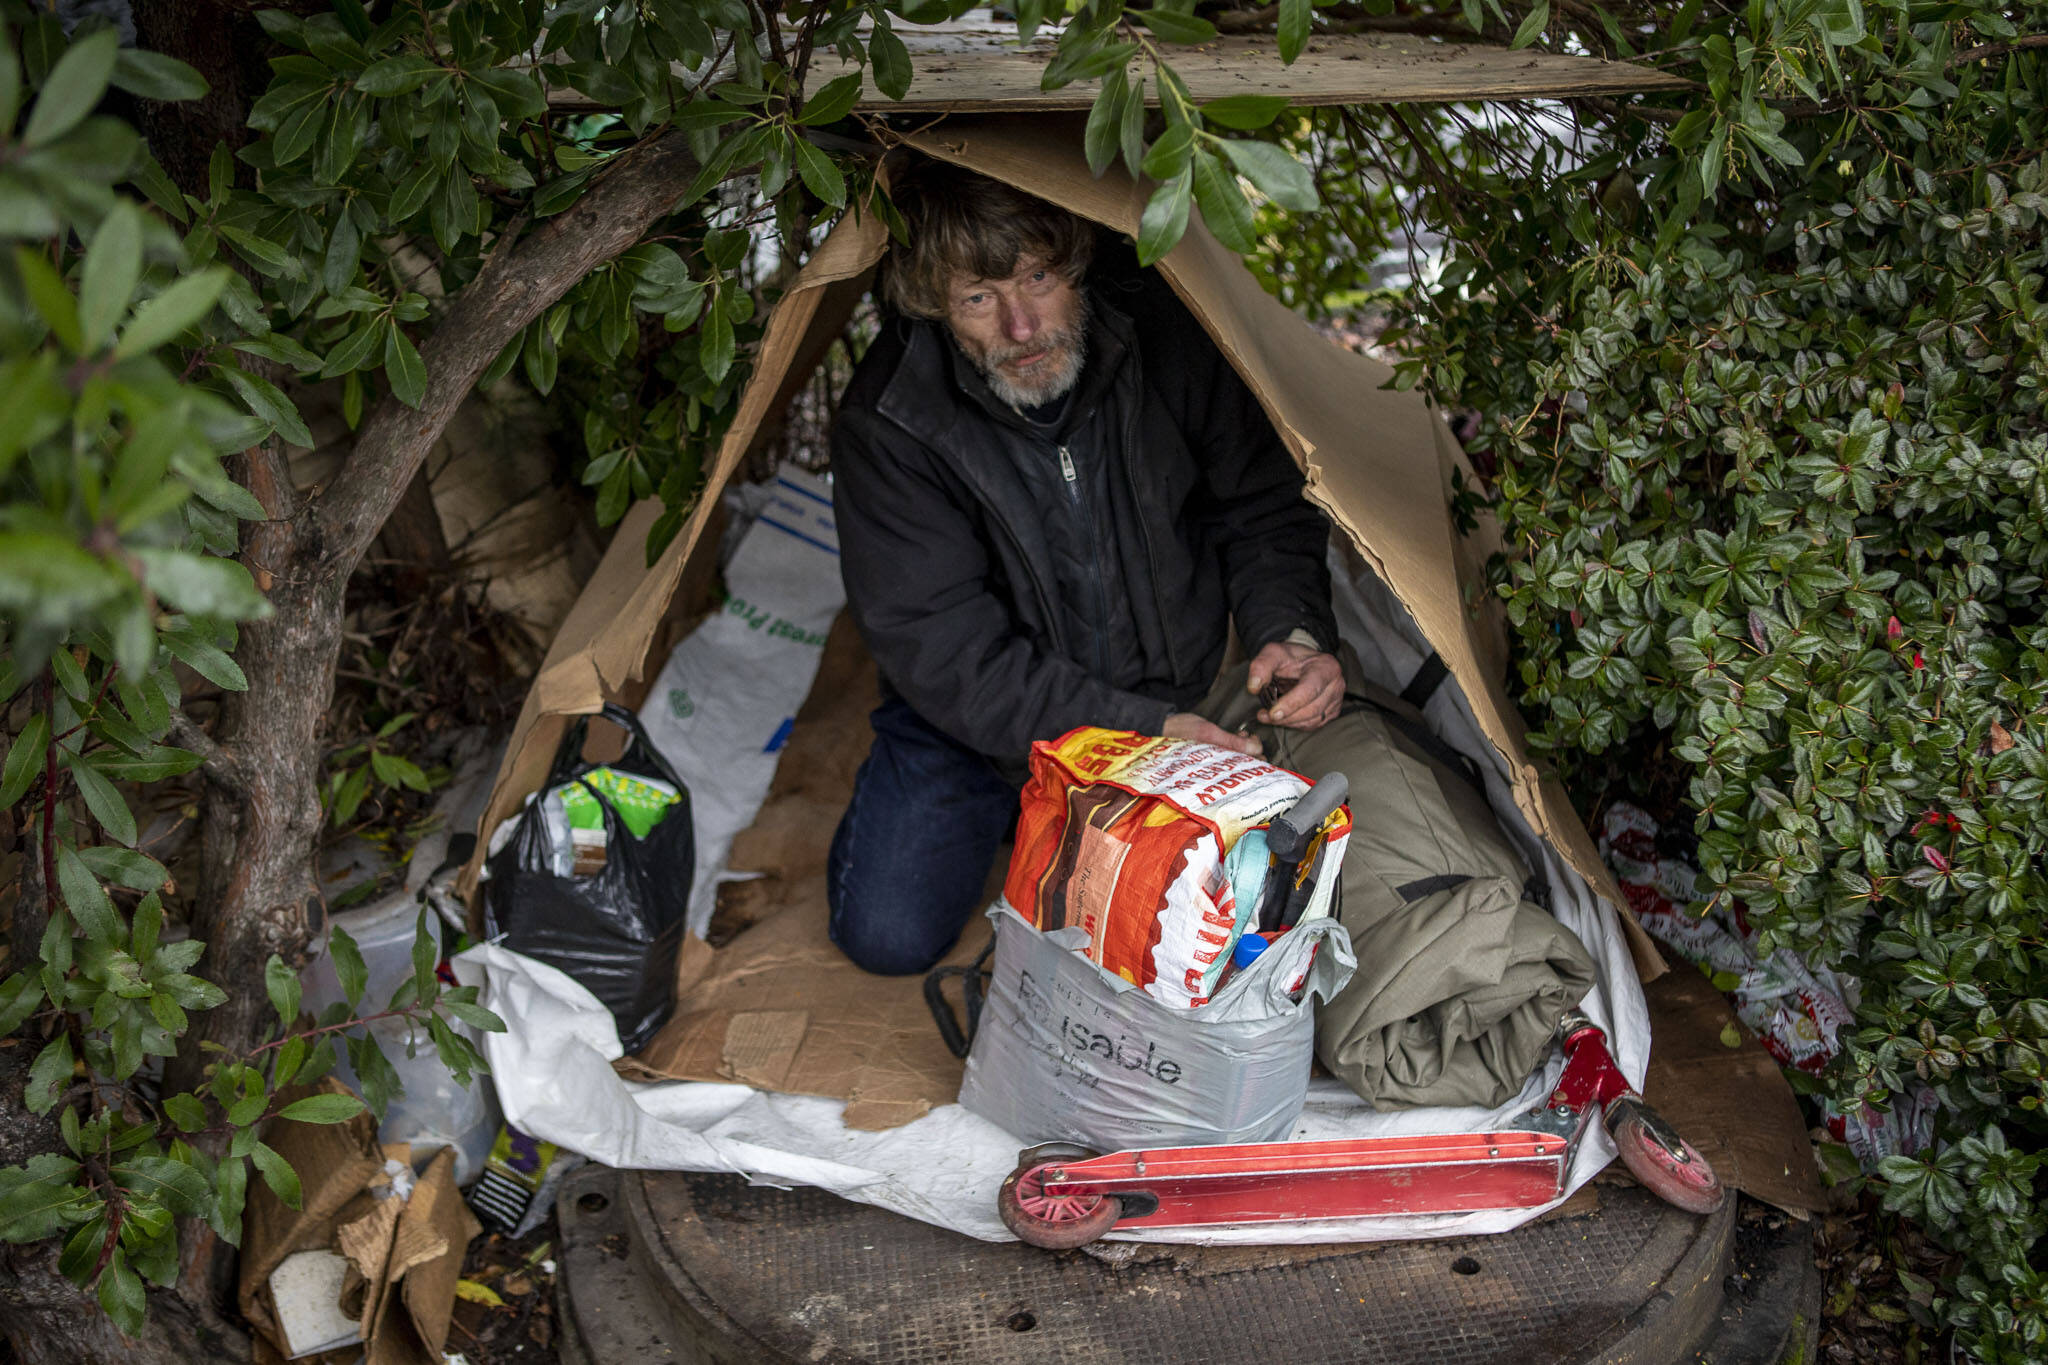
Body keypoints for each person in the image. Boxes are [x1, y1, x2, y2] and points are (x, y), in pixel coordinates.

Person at [827, 160, 1342, 975]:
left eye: (1037, 276)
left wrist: (1290, 629)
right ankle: (1028, 813)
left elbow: (1260, 504)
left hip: (1183, 691)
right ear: (934, 305)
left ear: (1078, 263)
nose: (1023, 326)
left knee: (1263, 907)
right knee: (885, 934)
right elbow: (949, 651)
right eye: (978, 297)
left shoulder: (1167, 332)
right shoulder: (892, 418)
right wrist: (1139, 737)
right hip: (986, 731)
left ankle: (1069, 820)